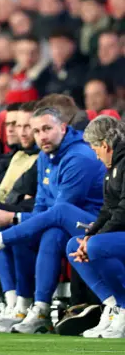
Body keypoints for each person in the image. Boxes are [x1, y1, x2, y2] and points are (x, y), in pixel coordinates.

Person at [0, 107, 106, 333]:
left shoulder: (79, 157)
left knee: (49, 225)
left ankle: (38, 304)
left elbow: (58, 210)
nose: (41, 136)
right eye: (37, 131)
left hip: (93, 224)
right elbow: (41, 207)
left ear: (63, 127)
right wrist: (19, 220)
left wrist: (17, 217)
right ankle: (19, 306)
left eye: (47, 129)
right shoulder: (45, 156)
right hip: (61, 224)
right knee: (22, 230)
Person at [68, 116, 125, 338]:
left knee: (96, 246)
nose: (95, 154)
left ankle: (124, 306)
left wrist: (94, 240)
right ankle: (112, 307)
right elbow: (107, 209)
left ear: (105, 144)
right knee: (74, 245)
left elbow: (122, 210)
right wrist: (89, 236)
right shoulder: (112, 169)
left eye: (95, 148)